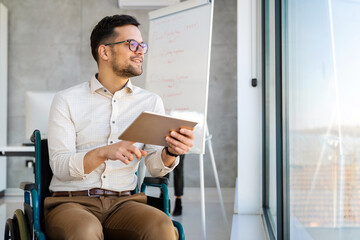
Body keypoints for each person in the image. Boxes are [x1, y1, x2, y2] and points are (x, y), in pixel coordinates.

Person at [44, 14, 194, 240]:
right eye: (132, 44)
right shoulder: (66, 100)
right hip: (71, 203)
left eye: (142, 45)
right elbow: (60, 166)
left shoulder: (150, 102)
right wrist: (103, 152)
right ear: (104, 52)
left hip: (125, 203)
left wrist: (170, 152)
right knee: (84, 231)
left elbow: (155, 167)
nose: (141, 51)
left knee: (162, 226)